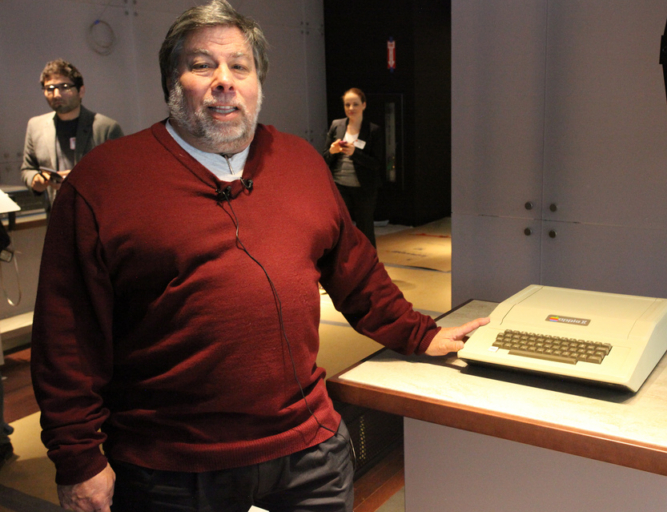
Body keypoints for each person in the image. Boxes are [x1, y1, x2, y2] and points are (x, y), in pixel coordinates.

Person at [29, 2, 487, 511]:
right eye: (202, 65)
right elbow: (66, 334)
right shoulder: (106, 180)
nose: (224, 81)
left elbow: (356, 273)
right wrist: (78, 458)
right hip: (171, 470)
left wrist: (421, 334)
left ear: (258, 82)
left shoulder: (299, 162)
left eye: (239, 66)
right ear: (172, 80)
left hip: (308, 454)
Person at [20, 59, 124, 212]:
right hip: (57, 213)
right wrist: (37, 180)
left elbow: (122, 175)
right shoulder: (35, 126)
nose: (56, 94)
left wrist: (78, 180)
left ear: (81, 91)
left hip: (96, 213)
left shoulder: (106, 128)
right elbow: (28, 169)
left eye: (64, 87)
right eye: (50, 88)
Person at [323, 88, 383, 247]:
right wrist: (332, 151)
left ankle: (369, 261)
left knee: (365, 228)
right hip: (339, 185)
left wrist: (354, 153)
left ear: (364, 105)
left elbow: (376, 163)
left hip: (364, 188)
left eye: (355, 104)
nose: (351, 108)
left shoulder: (373, 130)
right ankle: (344, 261)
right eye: (347, 104)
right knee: (341, 227)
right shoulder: (336, 125)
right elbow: (324, 158)